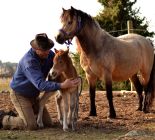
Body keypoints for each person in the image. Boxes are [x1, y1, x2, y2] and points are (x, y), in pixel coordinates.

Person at [0, 33, 80, 130]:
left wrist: (73, 74)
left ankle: (27, 113)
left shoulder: (48, 54)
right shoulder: (29, 62)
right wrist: (62, 85)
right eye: (44, 50)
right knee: (30, 125)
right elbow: (41, 85)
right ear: (36, 50)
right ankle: (3, 118)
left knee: (48, 123)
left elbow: (61, 62)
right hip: (20, 95)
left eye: (48, 49)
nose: (48, 52)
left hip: (34, 96)